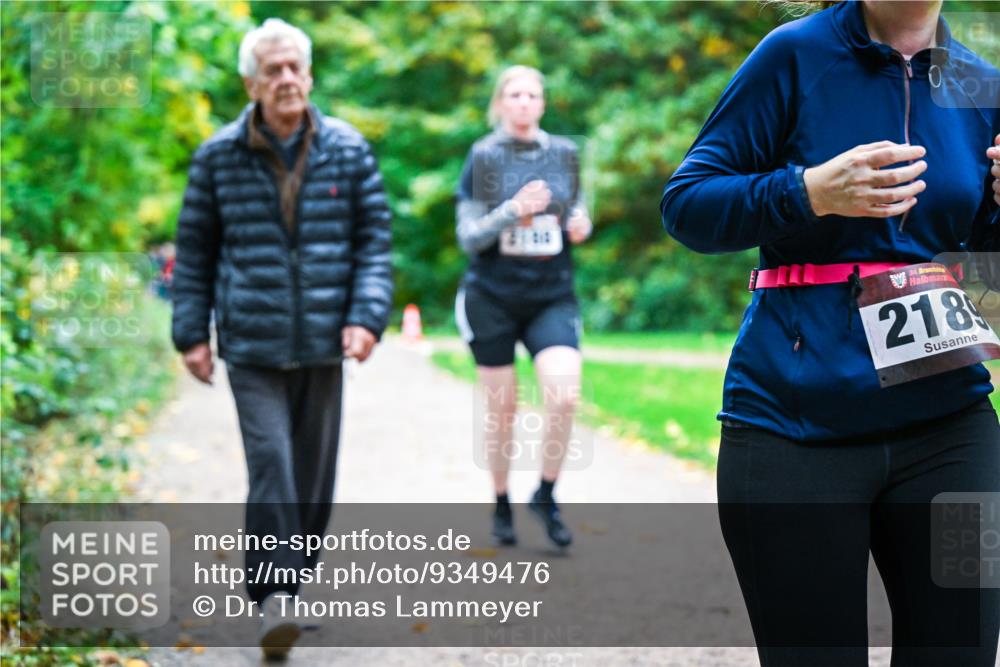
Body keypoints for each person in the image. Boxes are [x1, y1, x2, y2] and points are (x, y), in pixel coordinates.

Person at [661, 1, 1000, 665]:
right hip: (796, 425)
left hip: (949, 423)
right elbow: (687, 205)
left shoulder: (981, 85)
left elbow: (983, 259)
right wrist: (808, 191)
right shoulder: (795, 56)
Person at [170, 18, 392, 659]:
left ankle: (291, 585)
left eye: (295, 66)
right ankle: (275, 600)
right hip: (253, 344)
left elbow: (373, 242)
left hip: (325, 340)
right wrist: (192, 333)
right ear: (250, 83)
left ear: (311, 74)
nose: (286, 78)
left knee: (314, 481)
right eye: (273, 69)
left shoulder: (348, 149)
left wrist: (365, 315)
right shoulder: (217, 155)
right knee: (272, 467)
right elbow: (195, 250)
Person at [454, 65, 593, 549]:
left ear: (543, 103)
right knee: (503, 409)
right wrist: (514, 209)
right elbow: (469, 237)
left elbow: (580, 214)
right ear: (500, 103)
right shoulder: (484, 156)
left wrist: (579, 225)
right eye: (513, 94)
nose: (523, 102)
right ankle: (500, 501)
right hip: (491, 296)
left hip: (550, 294)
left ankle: (545, 492)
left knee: (564, 394)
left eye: (532, 94)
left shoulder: (564, 153)